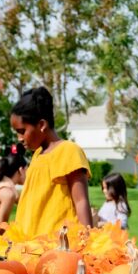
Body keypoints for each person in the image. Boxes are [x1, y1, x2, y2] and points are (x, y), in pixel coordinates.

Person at [9, 87, 93, 238]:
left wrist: (88, 241)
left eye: (22, 131)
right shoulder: (37, 156)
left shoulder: (69, 151)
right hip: (30, 249)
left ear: (41, 125)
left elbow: (81, 201)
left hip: (57, 249)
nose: (19, 138)